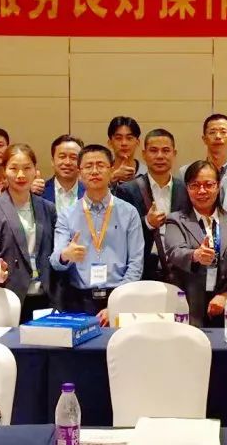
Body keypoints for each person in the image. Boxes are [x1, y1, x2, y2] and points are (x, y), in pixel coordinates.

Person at [51, 145, 144, 324]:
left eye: (100, 165)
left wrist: (117, 303)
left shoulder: (129, 212)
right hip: (78, 300)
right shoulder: (67, 214)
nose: (94, 171)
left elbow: (136, 264)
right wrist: (65, 255)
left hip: (119, 295)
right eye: (88, 166)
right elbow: (55, 261)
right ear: (79, 173)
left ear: (111, 170)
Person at [163, 160, 227, 327]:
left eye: (208, 185)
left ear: (218, 186)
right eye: (195, 185)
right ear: (187, 188)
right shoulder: (175, 220)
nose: (202, 191)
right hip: (189, 306)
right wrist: (195, 255)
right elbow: (175, 252)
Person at [0, 144, 60, 322]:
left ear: (35, 171)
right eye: (14, 168)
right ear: (4, 171)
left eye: (27, 168)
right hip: (10, 293)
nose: (21, 175)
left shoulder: (48, 208)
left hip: (46, 295)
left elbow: (55, 248)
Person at [115, 128, 190, 282]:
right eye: (153, 150)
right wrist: (147, 223)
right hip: (142, 271)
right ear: (144, 154)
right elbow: (119, 233)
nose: (160, 156)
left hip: (179, 271)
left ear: (174, 154)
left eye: (166, 151)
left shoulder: (186, 190)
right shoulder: (127, 190)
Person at [181, 113, 227, 211]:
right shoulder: (185, 172)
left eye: (223, 132)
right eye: (212, 132)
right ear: (204, 139)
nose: (218, 136)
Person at [40, 134, 85, 214]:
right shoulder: (39, 194)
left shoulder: (90, 194)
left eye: (73, 158)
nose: (67, 162)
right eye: (62, 157)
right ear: (52, 161)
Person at [107, 116, 147, 185]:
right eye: (118, 138)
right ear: (110, 143)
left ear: (137, 142)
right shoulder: (102, 173)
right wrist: (112, 178)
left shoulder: (147, 173)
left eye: (129, 138)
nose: (124, 143)